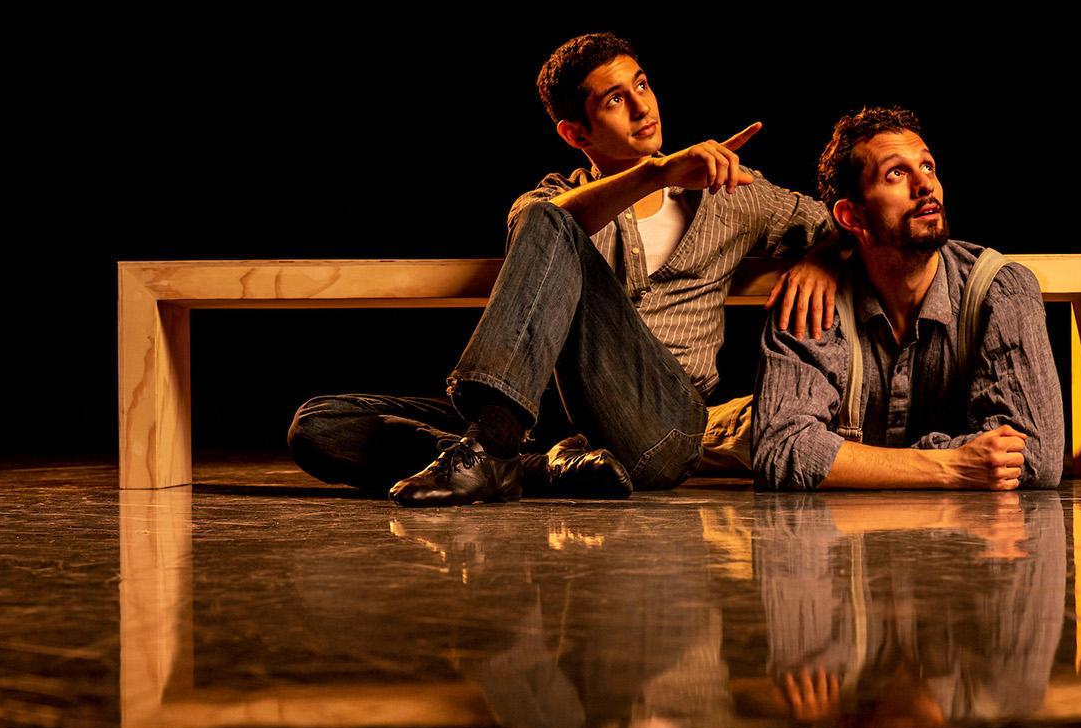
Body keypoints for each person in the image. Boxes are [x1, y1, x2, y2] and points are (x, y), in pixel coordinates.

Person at [288, 32, 840, 505]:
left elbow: (841, 225)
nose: (644, 108)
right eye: (615, 101)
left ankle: (498, 447)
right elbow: (547, 219)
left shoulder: (730, 194)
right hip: (552, 423)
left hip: (662, 429)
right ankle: (537, 467)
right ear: (577, 134)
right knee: (319, 424)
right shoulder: (553, 203)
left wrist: (817, 259)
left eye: (642, 86)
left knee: (549, 225)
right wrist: (655, 173)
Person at [752, 106, 1065, 491]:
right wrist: (950, 465)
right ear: (852, 217)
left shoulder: (1000, 289)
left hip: (966, 547)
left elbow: (1036, 455)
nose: (925, 186)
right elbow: (781, 450)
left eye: (928, 167)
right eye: (895, 173)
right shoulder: (815, 299)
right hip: (843, 545)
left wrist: (857, 461)